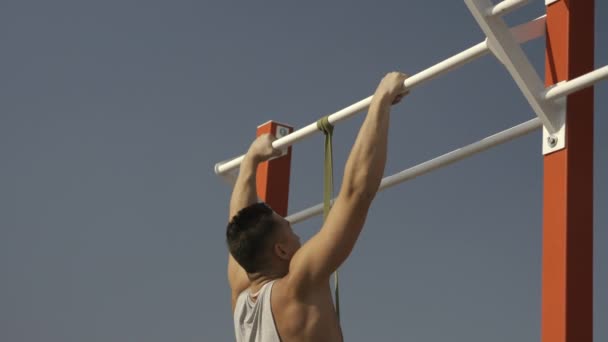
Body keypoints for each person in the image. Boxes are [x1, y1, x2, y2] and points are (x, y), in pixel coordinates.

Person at [226, 72, 409, 341]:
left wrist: (251, 161)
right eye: (289, 229)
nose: (297, 234)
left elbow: (239, 220)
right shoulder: (297, 285)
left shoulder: (240, 299)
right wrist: (381, 99)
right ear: (281, 249)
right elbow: (355, 193)